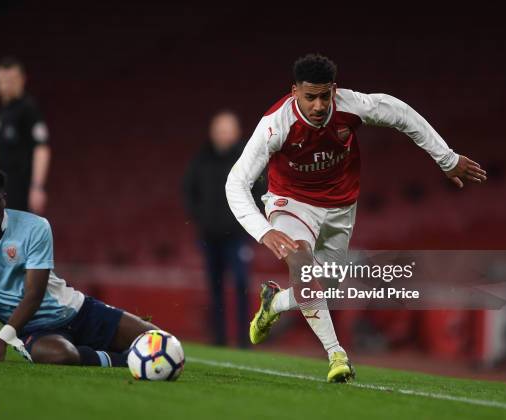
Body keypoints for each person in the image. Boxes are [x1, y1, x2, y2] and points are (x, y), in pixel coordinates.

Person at [225, 53, 487, 382]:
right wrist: (264, 231)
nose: (319, 105)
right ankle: (338, 356)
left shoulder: (352, 106)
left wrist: (446, 159)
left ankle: (273, 304)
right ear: (295, 93)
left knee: (326, 287)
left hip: (340, 208)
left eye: (325, 96)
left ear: (334, 90)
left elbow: (401, 114)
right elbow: (236, 183)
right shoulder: (275, 124)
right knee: (304, 268)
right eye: (310, 98)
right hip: (290, 203)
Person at [0, 165, 157, 366]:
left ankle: (112, 352)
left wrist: (2, 339)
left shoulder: (35, 227)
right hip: (31, 329)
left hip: (78, 310)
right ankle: (127, 360)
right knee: (62, 355)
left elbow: (34, 294)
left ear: (4, 199)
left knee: (159, 342)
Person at [183, 111, 261, 348]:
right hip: (209, 236)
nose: (223, 135)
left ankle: (245, 339)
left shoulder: (247, 159)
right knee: (214, 287)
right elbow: (189, 191)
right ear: (212, 132)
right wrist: (201, 218)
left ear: (237, 132)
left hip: (237, 236)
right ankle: (218, 339)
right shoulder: (201, 160)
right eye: (219, 130)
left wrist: (249, 220)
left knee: (240, 284)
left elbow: (260, 191)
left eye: (227, 130)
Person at [0, 57, 50, 214]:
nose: (5, 85)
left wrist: (37, 187)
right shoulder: (4, 113)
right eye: (1, 80)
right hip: (6, 191)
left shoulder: (27, 109)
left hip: (23, 190)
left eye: (11, 80)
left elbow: (42, 148)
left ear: (22, 79)